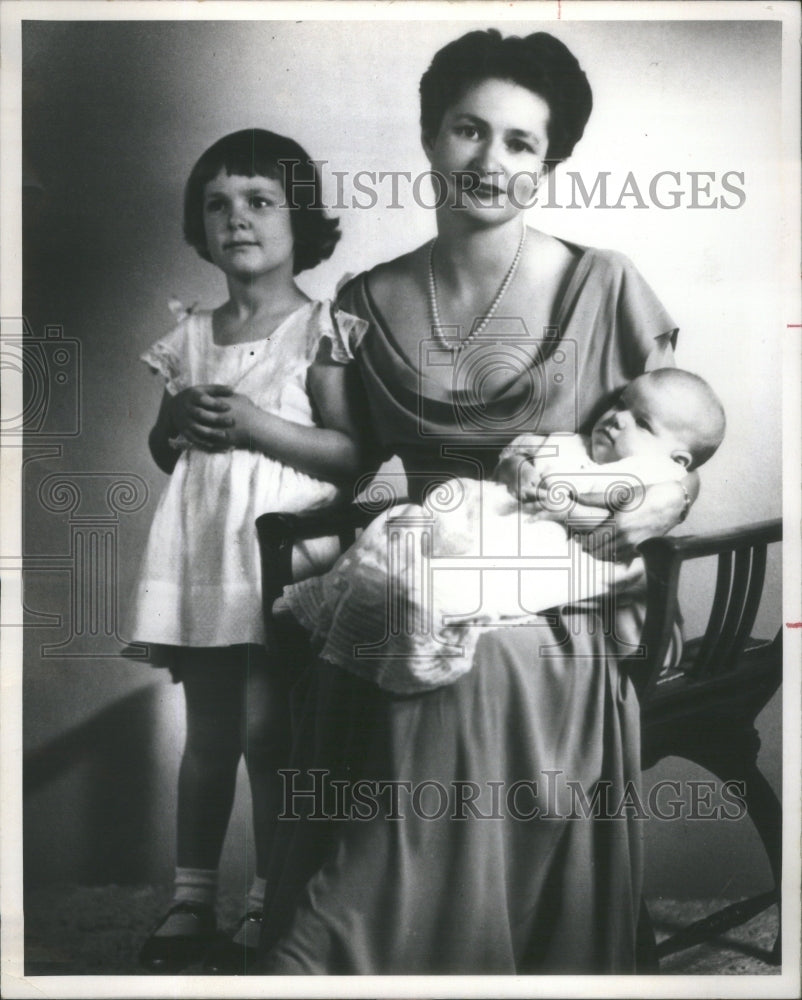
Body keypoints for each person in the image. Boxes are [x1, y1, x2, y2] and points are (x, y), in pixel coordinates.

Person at [257, 29, 700, 973]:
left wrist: (668, 502)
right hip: (425, 559)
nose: (489, 162)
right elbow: (344, 463)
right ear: (430, 137)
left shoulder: (603, 282)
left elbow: (674, 453)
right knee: (394, 623)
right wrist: (219, 430)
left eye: (520, 142)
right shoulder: (364, 299)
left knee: (470, 662)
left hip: (564, 584)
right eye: (468, 130)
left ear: (550, 161)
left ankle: (336, 947)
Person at [127, 129, 368, 973]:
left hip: (283, 562)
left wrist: (259, 424)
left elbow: (350, 457)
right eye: (218, 205)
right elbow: (168, 450)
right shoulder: (190, 334)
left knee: (272, 736)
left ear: (302, 219)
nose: (238, 219)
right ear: (200, 226)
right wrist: (178, 426)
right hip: (203, 555)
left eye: (261, 200)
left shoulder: (320, 328)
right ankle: (193, 898)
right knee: (210, 737)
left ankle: (271, 900)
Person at [281, 368, 725, 694]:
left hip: (569, 553)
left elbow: (607, 533)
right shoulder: (568, 442)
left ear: (676, 460)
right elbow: (513, 458)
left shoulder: (649, 478)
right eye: (621, 403)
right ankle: (343, 589)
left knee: (466, 581)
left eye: (641, 423)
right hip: (491, 519)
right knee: (404, 525)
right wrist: (519, 472)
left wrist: (565, 505)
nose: (616, 418)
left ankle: (424, 622)